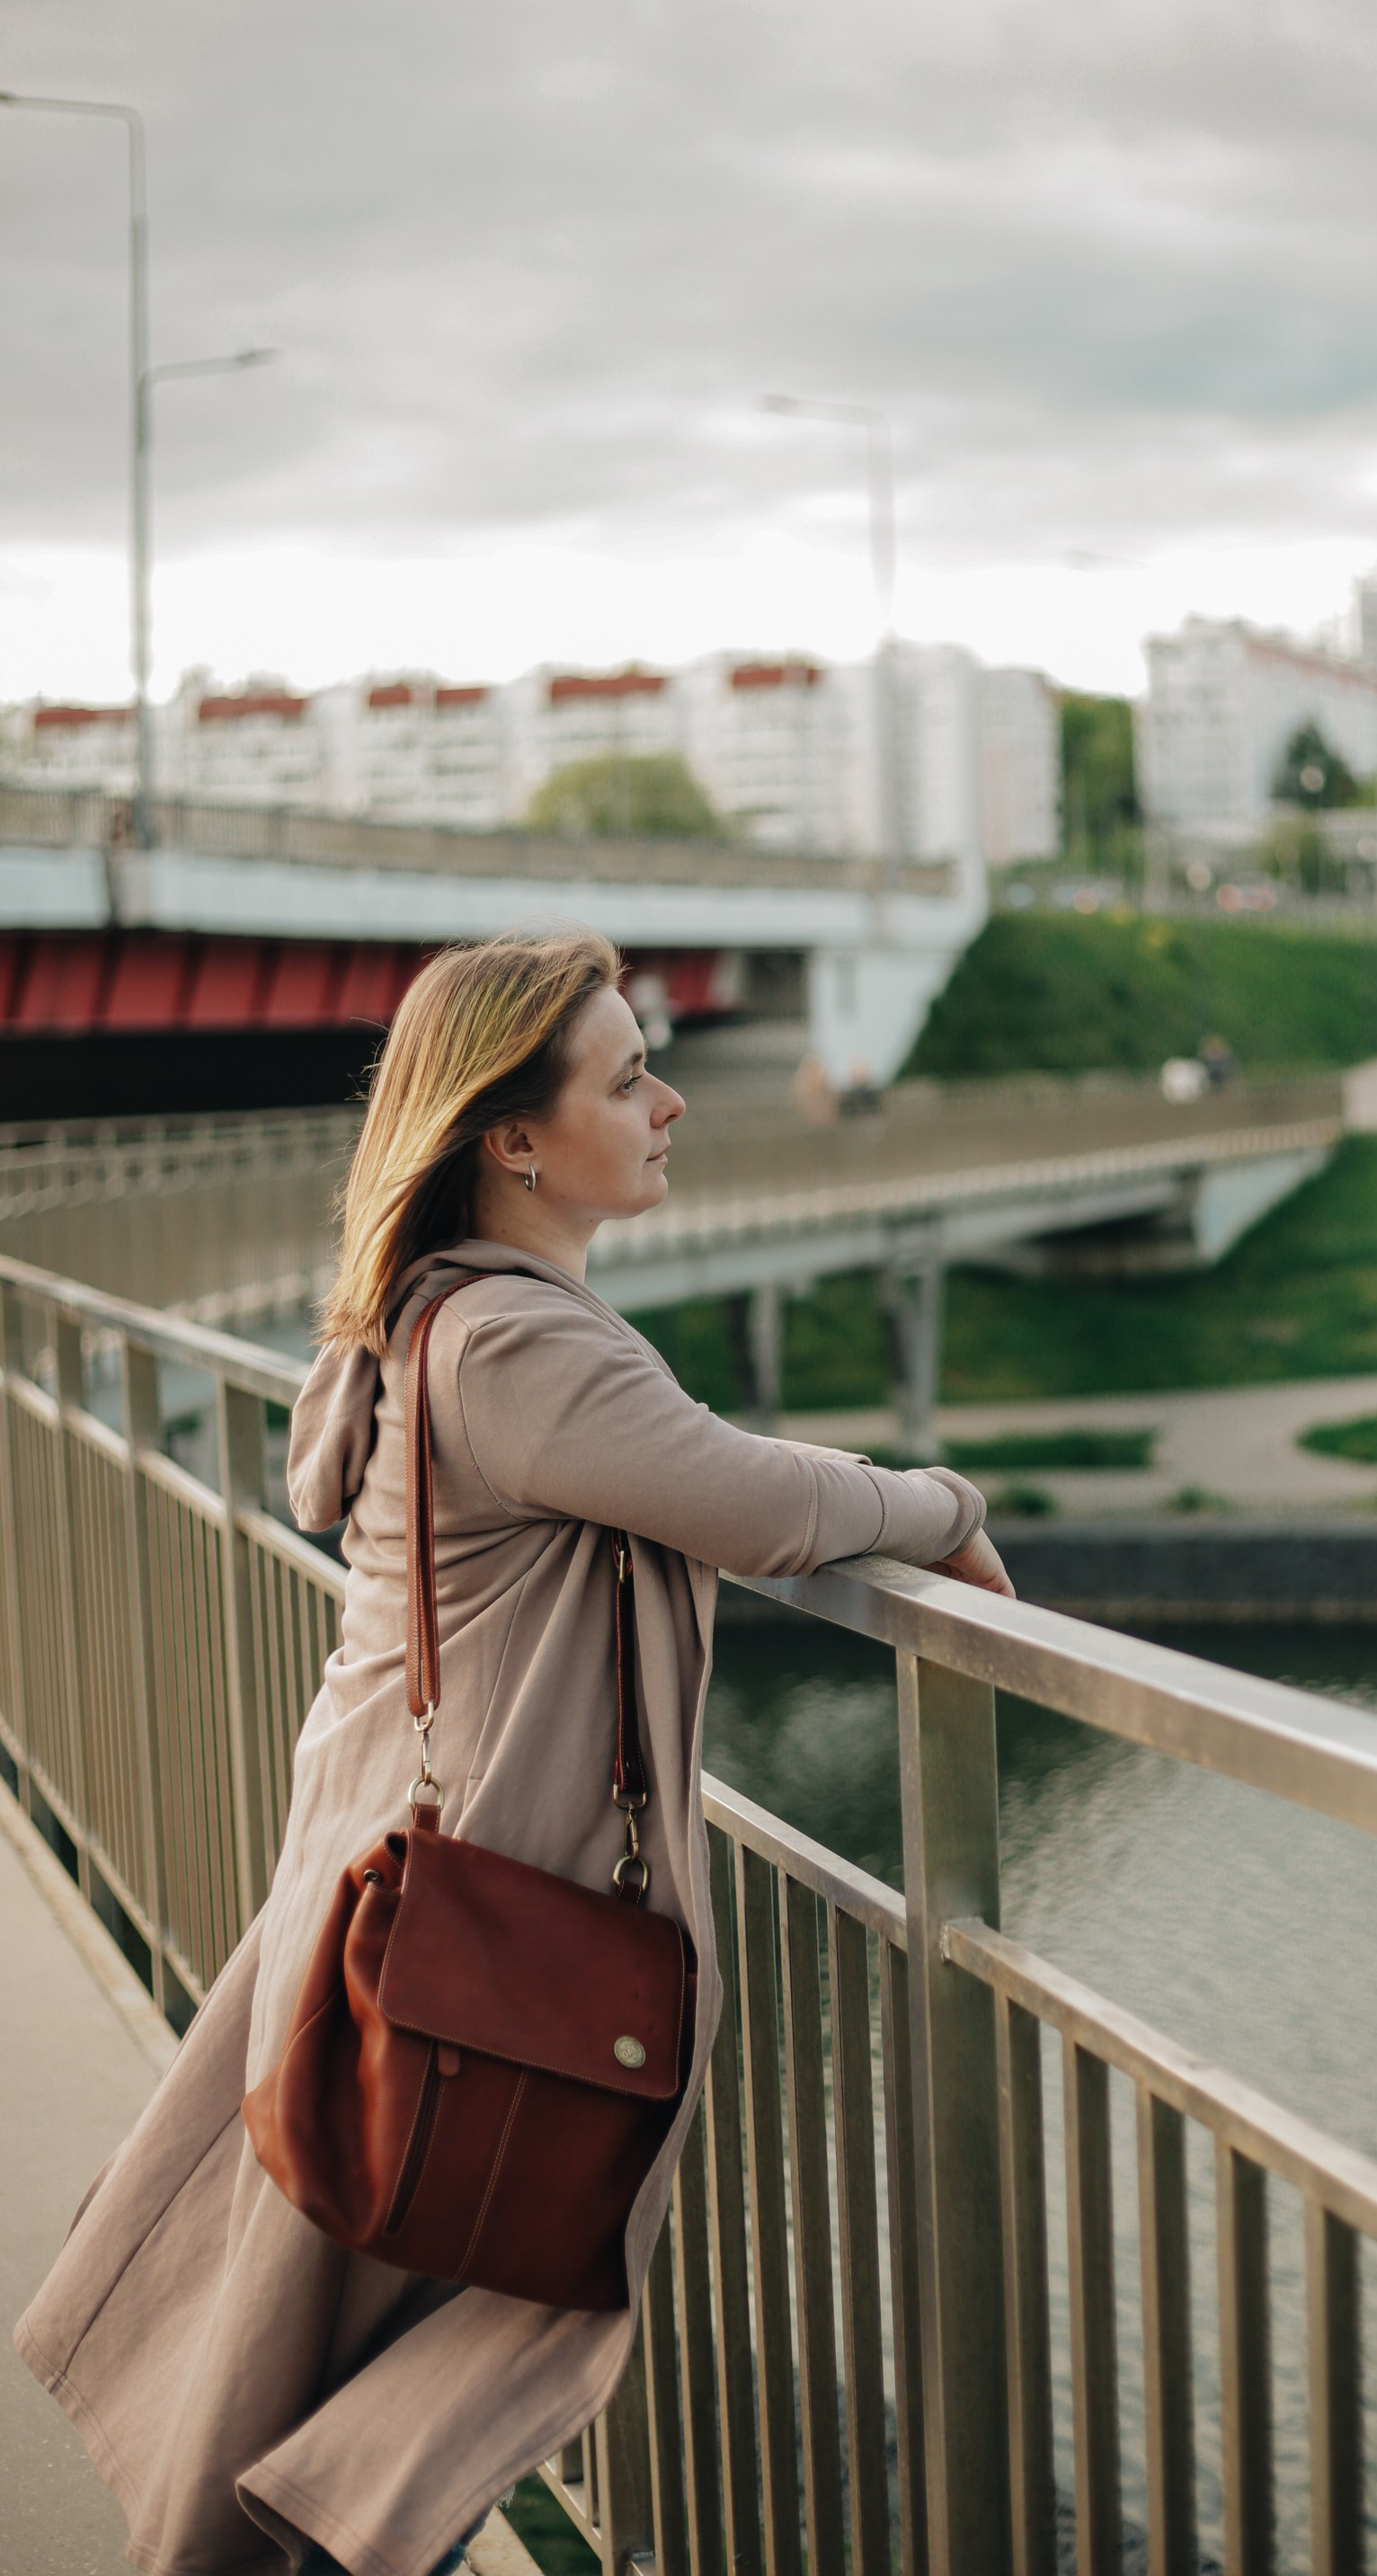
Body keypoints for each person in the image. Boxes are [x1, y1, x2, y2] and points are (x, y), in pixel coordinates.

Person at [16, 931, 1009, 2576]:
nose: (673, 1099)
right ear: (515, 1138)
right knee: (410, 2292)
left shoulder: (445, 1317)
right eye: (629, 1077)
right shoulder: (515, 1346)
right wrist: (948, 1506)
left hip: (396, 1871)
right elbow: (760, 1506)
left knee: (334, 2299)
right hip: (467, 1918)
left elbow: (705, 1465)